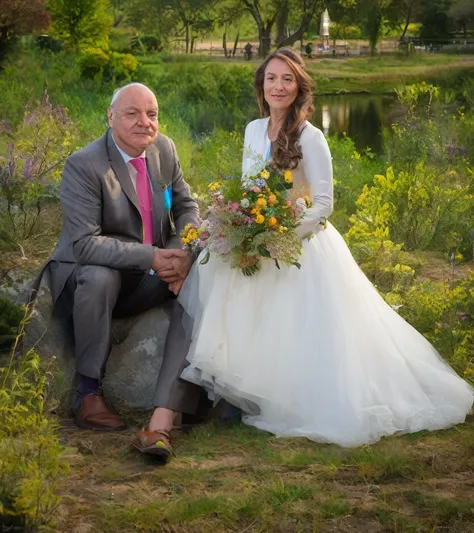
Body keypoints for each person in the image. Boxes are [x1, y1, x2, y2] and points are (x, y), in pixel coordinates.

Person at [178, 48, 474, 447]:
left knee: (298, 327)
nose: (278, 86)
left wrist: (277, 240)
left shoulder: (309, 136)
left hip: (299, 246)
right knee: (241, 306)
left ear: (299, 86)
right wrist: (238, 227)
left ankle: (291, 399)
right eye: (271, 78)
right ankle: (243, 396)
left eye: (287, 79)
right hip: (254, 240)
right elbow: (248, 188)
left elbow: (323, 204)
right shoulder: (252, 129)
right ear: (261, 85)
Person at [42, 82, 201, 462]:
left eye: (152, 114)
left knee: (202, 279)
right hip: (90, 281)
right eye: (132, 113)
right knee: (99, 275)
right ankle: (87, 392)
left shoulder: (164, 149)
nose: (145, 122)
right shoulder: (85, 164)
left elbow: (188, 208)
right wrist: (151, 257)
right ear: (111, 117)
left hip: (151, 273)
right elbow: (83, 245)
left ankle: (167, 413)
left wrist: (180, 255)